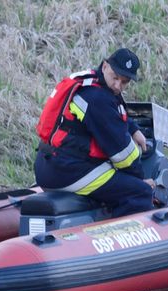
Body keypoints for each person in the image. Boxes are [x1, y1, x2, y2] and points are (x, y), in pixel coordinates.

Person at [34, 48, 155, 217]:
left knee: (121, 181)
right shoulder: (97, 98)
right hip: (68, 171)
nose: (118, 86)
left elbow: (112, 116)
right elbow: (123, 156)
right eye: (115, 77)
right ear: (105, 66)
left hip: (50, 163)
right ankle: (117, 240)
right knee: (139, 193)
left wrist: (133, 129)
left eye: (125, 82)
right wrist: (140, 180)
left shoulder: (91, 83)